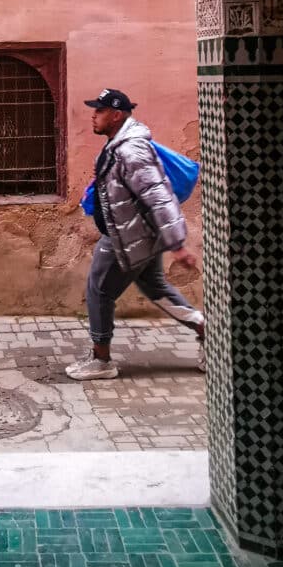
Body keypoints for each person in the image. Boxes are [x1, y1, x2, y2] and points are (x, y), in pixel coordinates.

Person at [66, 88, 205, 380]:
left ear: (116, 115)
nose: (93, 115)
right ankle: (207, 330)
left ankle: (101, 361)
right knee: (155, 287)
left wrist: (177, 244)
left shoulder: (131, 150)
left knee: (99, 290)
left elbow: (158, 196)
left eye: (100, 111)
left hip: (128, 239)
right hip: (138, 235)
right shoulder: (119, 144)